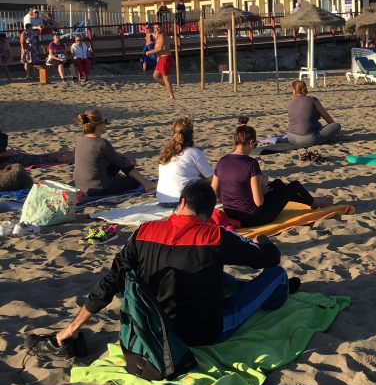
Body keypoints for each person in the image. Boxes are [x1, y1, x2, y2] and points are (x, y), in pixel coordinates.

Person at [51, 180, 283, 351]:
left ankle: (244, 290)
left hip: (156, 330)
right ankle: (274, 299)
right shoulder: (215, 236)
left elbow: (111, 282)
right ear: (211, 211)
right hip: (206, 334)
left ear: (182, 202)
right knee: (276, 274)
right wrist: (262, 241)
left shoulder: (144, 231)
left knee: (214, 275)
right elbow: (269, 259)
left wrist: (72, 328)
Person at [212, 117, 332, 227]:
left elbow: (212, 194)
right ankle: (315, 202)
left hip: (231, 216)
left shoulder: (222, 161)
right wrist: (261, 190)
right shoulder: (250, 164)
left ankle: (312, 201)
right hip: (253, 218)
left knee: (277, 184)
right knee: (295, 186)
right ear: (250, 143)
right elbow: (259, 203)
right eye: (255, 144)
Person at [73, 108, 154, 198]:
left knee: (119, 158)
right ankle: (147, 184)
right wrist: (130, 162)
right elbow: (121, 163)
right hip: (98, 188)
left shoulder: (81, 141)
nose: (106, 124)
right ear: (98, 125)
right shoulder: (102, 143)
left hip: (81, 186)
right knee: (135, 181)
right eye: (105, 122)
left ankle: (145, 182)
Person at [156, 117, 214, 205]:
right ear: (191, 135)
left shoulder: (166, 153)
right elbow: (212, 178)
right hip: (183, 201)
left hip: (163, 200)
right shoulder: (193, 152)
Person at [286, 79, 341, 147]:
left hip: (291, 137)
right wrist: (333, 126)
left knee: (318, 125)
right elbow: (326, 116)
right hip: (307, 139)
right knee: (336, 126)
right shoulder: (313, 100)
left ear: (294, 90)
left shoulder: (291, 102)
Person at [151, 24, 174, 100]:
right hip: (161, 58)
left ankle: (171, 95)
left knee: (165, 78)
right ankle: (169, 89)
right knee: (156, 76)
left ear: (162, 28)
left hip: (165, 58)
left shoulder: (163, 35)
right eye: (155, 28)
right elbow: (151, 35)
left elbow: (160, 48)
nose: (157, 29)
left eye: (158, 27)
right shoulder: (157, 35)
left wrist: (149, 52)